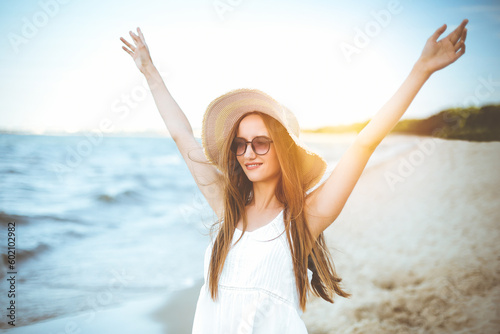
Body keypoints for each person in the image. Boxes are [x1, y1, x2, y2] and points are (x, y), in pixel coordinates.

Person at [120, 18, 468, 333]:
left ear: (282, 148)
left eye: (260, 143)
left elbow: (364, 144)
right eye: (240, 145)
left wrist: (421, 71)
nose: (248, 153)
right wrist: (150, 72)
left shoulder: (303, 218)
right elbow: (184, 138)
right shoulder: (229, 209)